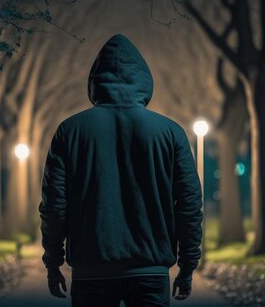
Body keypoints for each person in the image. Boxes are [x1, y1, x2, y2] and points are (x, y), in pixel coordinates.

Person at [39, 34, 203, 307]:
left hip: (91, 272)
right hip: (150, 271)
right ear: (144, 80)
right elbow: (188, 204)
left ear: (95, 81)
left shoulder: (70, 131)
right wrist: (187, 265)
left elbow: (55, 205)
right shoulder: (171, 133)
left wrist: (53, 262)